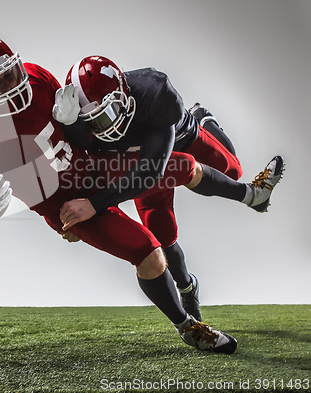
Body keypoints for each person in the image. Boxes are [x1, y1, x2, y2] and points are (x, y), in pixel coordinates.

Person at [0, 35, 240, 354]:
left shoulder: (36, 77)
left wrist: (75, 124)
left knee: (177, 166)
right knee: (148, 254)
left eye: (10, 74)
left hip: (95, 167)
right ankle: (188, 327)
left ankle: (205, 130)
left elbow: (74, 134)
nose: (11, 86)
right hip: (65, 204)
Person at [53, 56, 284, 322]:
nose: (108, 126)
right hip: (136, 160)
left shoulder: (154, 94)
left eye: (111, 112)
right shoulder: (70, 123)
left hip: (179, 139)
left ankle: (204, 120)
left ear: (124, 95)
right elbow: (69, 174)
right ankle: (188, 288)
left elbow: (152, 172)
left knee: (233, 171)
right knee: (163, 236)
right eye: (95, 121)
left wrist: (93, 206)